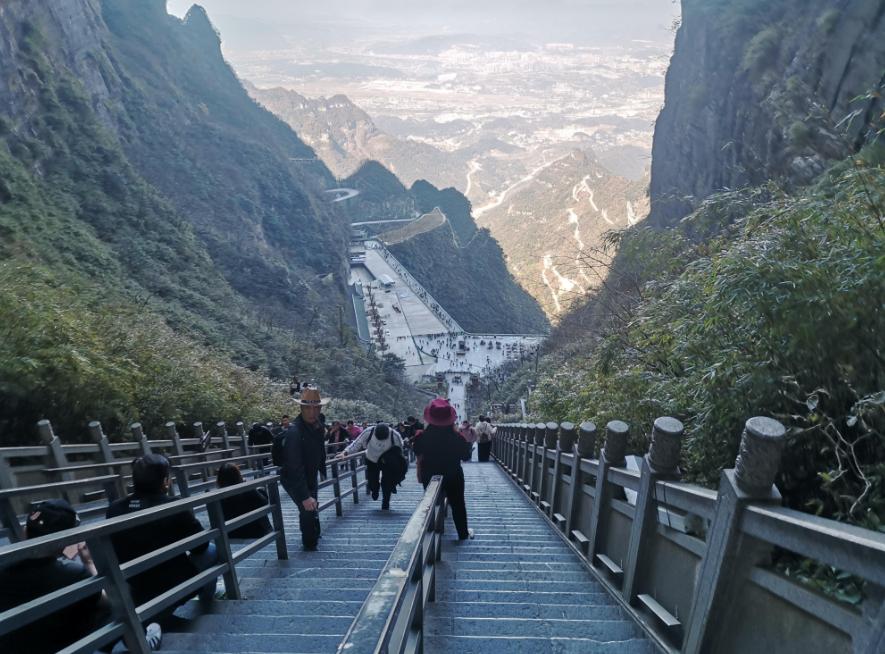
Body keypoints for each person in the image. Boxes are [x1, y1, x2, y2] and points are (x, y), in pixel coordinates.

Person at [0, 499, 163, 653]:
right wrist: (89, 562)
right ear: (65, 541)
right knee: (117, 599)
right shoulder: (73, 574)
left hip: (11, 644)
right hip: (59, 646)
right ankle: (142, 642)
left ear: (25, 530)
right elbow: (113, 598)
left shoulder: (3, 565)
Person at [106, 454, 219, 613]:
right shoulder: (174, 506)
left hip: (132, 583)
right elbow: (201, 546)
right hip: (172, 582)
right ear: (165, 481)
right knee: (212, 550)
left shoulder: (114, 509)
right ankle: (207, 600)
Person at [413, 399, 474, 540]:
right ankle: (463, 533)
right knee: (458, 503)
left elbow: (417, 451)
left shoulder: (422, 436)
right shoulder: (457, 437)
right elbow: (466, 456)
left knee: (430, 503)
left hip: (430, 475)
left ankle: (430, 534)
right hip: (453, 474)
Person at [279, 387, 328, 551]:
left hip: (310, 473)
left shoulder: (317, 426)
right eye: (308, 407)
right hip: (295, 478)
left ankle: (315, 533)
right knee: (307, 506)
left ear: (320, 408)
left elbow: (319, 449)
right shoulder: (295, 432)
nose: (312, 412)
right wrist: (304, 495)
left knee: (312, 505)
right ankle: (309, 543)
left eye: (316, 407)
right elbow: (294, 467)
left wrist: (321, 469)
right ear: (301, 408)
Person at [337, 422, 405, 510]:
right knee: (372, 480)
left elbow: (400, 451)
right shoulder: (368, 432)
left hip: (387, 461)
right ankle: (374, 489)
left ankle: (386, 502)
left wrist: (399, 469)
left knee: (387, 482)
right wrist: (345, 453)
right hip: (372, 459)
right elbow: (357, 444)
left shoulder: (394, 435)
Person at [217, 463, 273, 539]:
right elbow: (264, 504)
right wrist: (248, 486)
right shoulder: (247, 490)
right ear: (238, 476)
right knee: (261, 491)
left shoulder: (218, 496)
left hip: (230, 533)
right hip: (253, 532)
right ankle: (268, 528)